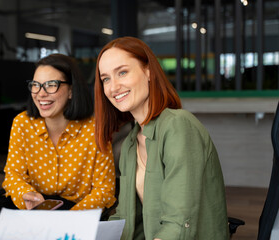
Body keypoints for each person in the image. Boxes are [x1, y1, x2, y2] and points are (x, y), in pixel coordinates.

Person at [94, 36, 229, 240]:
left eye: (122, 72)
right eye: (106, 79)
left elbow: (179, 222)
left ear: (148, 71)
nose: (113, 87)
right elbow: (127, 218)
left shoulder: (178, 125)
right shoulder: (130, 143)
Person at [2, 53, 116, 212]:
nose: (41, 93)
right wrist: (25, 195)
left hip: (79, 213)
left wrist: (68, 218)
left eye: (50, 85)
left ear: (71, 91)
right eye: (36, 84)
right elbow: (13, 175)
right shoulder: (22, 124)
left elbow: (104, 190)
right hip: (35, 210)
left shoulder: (95, 130)